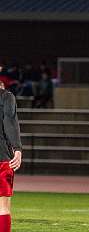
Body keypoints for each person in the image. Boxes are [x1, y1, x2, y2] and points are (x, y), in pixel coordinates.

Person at [0, 81, 22, 232]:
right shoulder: (6, 97)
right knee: (3, 206)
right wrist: (17, 148)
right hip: (2, 157)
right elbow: (9, 122)